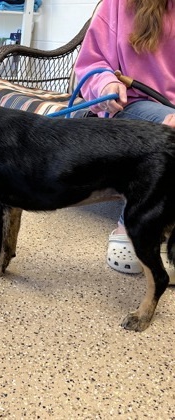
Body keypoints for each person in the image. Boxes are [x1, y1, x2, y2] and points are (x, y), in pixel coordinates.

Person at [74, 0, 175, 274]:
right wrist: (106, 83)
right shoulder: (116, 4)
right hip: (131, 106)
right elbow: (91, 64)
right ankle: (134, 226)